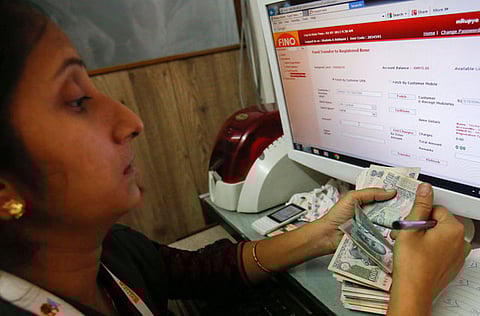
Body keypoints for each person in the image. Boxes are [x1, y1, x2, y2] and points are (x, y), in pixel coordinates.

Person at [0, 1, 468, 315]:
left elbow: (196, 272)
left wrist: (323, 234)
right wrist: (413, 291)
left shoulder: (108, 252)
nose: (130, 120)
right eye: (77, 100)